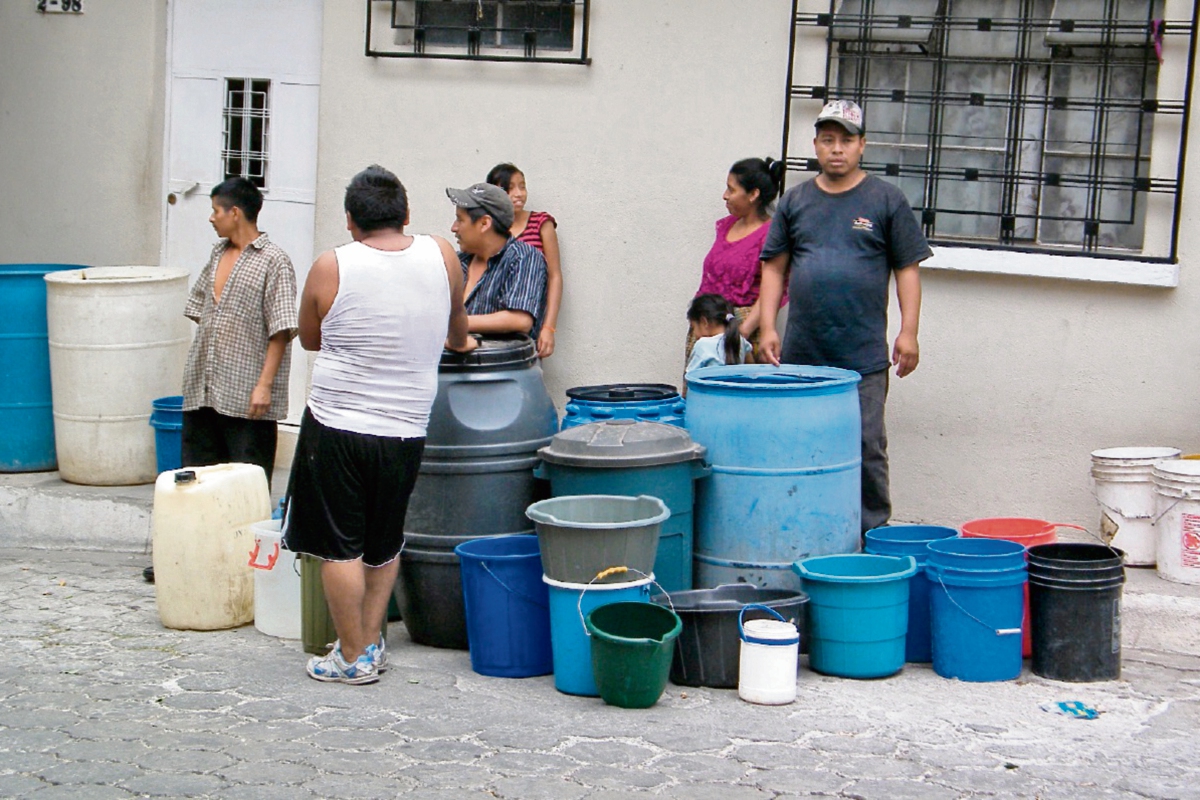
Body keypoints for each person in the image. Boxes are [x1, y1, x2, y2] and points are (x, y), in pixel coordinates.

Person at [283, 165, 475, 685]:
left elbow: (309, 338)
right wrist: (461, 346)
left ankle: (350, 654)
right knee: (383, 540)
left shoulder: (332, 265)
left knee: (338, 545)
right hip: (407, 427)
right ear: (406, 213)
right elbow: (456, 329)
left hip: (337, 424)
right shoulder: (441, 255)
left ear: (350, 222)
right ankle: (370, 644)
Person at [757, 100, 931, 535]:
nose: (837, 149)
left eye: (846, 140)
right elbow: (774, 266)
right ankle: (805, 529)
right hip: (803, 355)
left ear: (862, 146)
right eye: (828, 140)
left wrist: (909, 332)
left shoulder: (886, 199)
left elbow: (907, 269)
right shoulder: (795, 201)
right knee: (800, 445)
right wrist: (765, 327)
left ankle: (872, 538)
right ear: (816, 146)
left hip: (863, 357)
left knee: (867, 445)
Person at [181, 176, 298, 488]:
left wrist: (264, 385)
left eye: (215, 211)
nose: (211, 218)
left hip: (247, 399)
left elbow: (282, 330)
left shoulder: (274, 260)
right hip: (204, 391)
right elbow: (200, 310)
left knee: (246, 485)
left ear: (235, 213)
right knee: (199, 483)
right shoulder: (217, 253)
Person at [689, 157, 786, 364]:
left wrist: (741, 333)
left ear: (753, 194)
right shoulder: (726, 226)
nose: (725, 196)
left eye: (731, 190)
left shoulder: (770, 235)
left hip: (743, 334)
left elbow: (772, 288)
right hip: (707, 326)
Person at [447, 182, 548, 340]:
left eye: (460, 220)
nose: (454, 228)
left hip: (504, 363)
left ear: (484, 224)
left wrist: (454, 323)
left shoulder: (524, 257)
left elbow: (520, 320)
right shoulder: (458, 261)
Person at [486, 163, 562, 358]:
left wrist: (549, 328)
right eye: (509, 188)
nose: (518, 194)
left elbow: (554, 277)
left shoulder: (540, 223)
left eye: (522, 186)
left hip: (531, 325)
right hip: (492, 326)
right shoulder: (488, 229)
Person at [685, 293, 753, 376]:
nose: (694, 333)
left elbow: (690, 377)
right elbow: (751, 366)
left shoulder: (703, 345)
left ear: (704, 322)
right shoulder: (740, 340)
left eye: (693, 327)